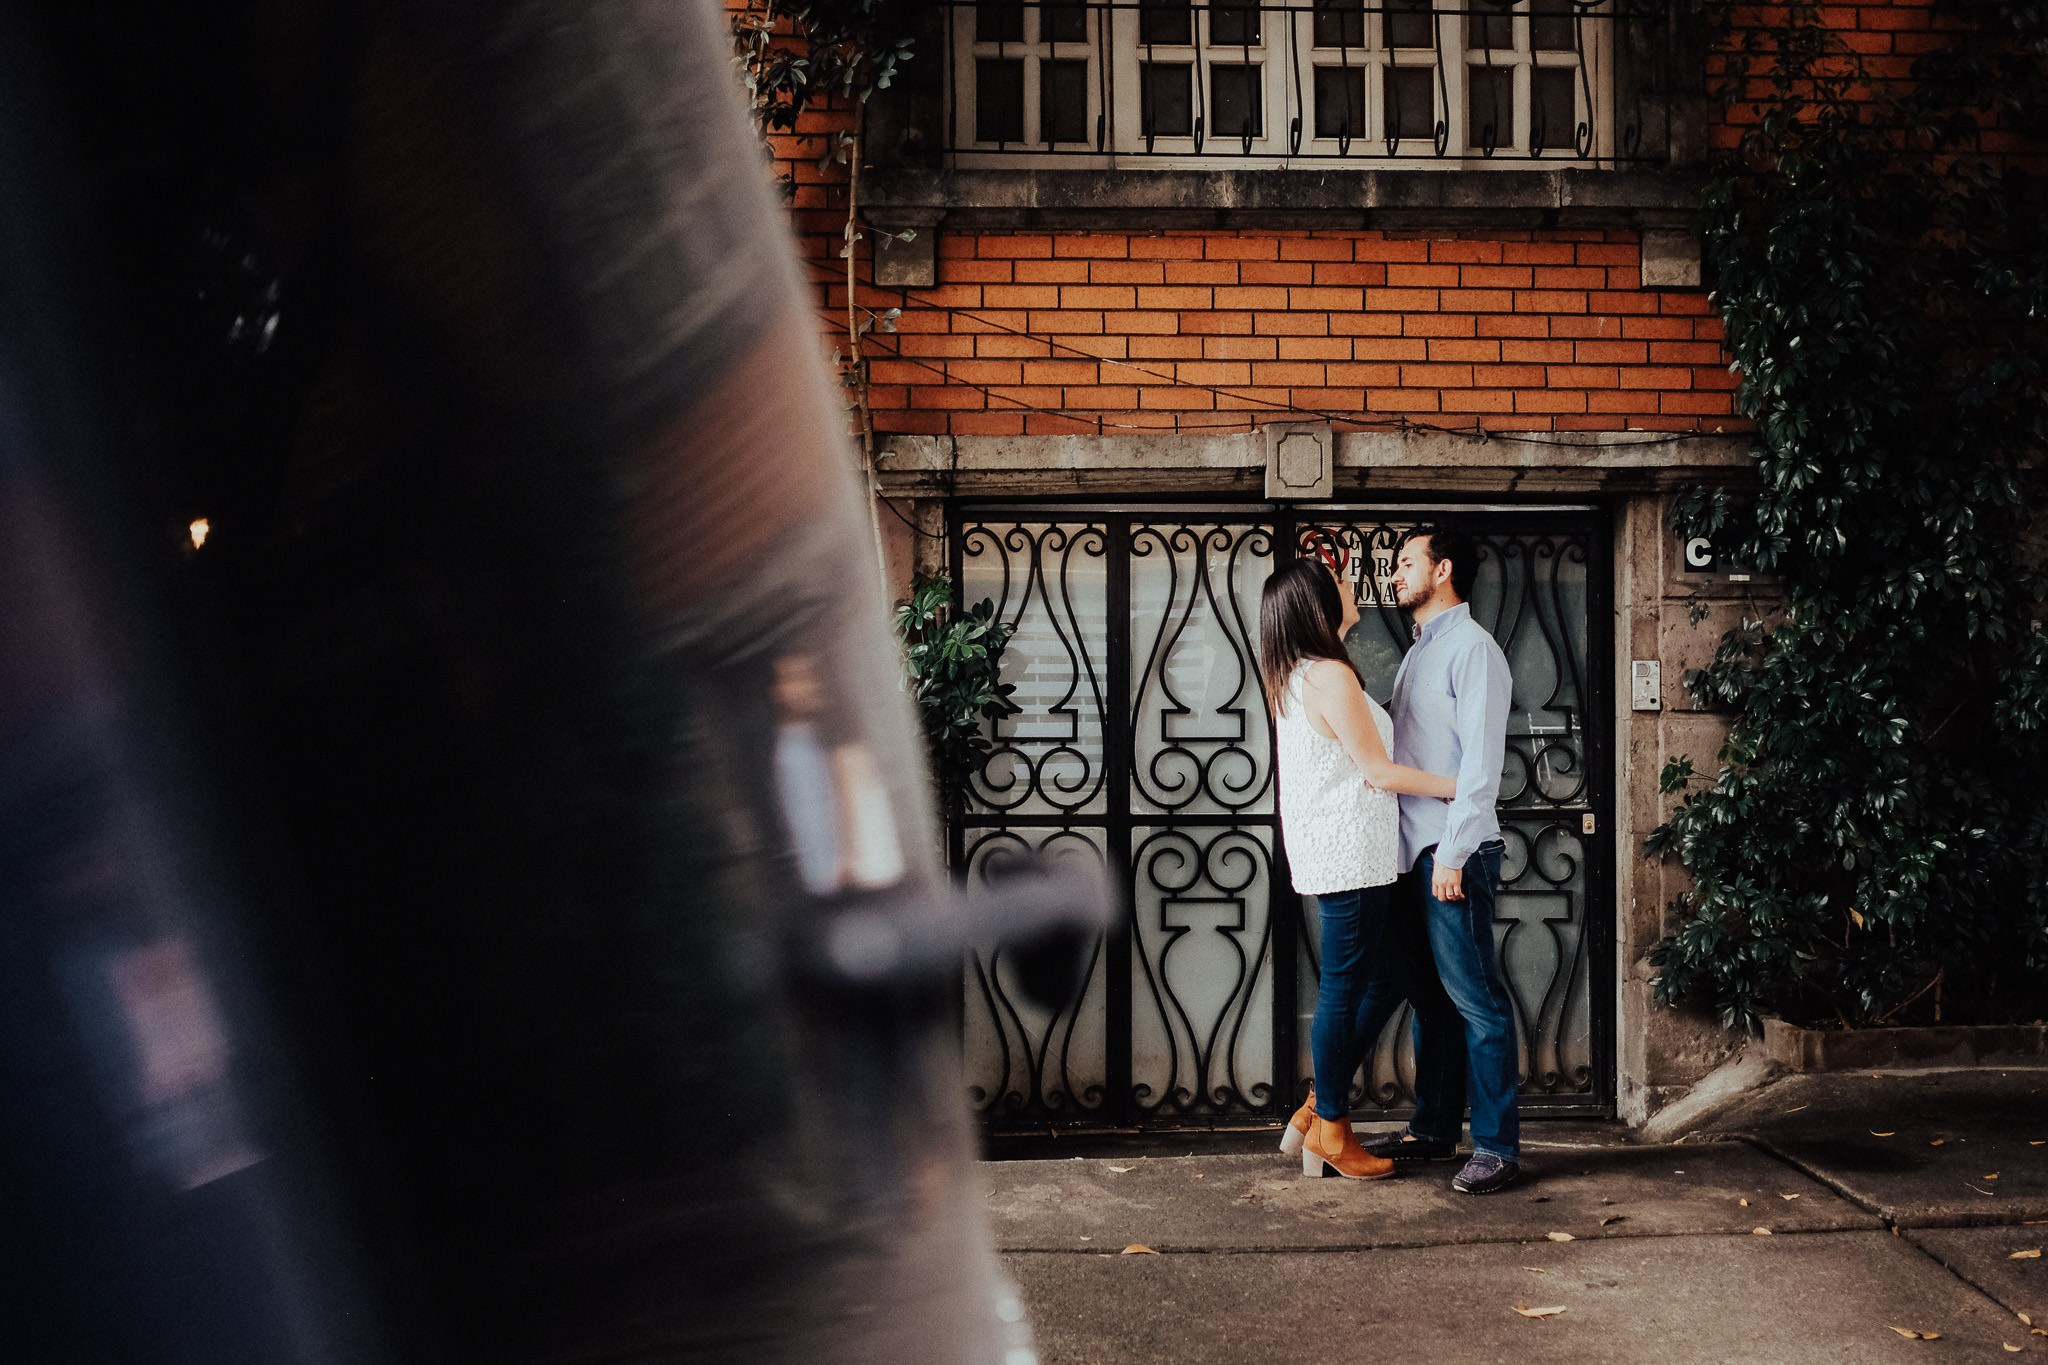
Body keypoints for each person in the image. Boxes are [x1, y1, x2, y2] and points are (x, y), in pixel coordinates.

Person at [1259, 556, 1457, 1180]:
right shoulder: (1328, 677)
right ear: (1318, 604)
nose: (1353, 592)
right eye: (1342, 586)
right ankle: (1333, 1130)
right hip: (1351, 855)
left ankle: (1319, 1107)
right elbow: (1378, 772)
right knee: (1346, 988)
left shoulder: (1298, 674)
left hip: (1357, 853)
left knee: (1392, 979)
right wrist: (1464, 786)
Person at [1358, 526, 1522, 1195]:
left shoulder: (1473, 651)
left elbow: (1480, 771)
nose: (1395, 574)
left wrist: (1451, 855)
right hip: (1414, 854)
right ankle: (1431, 1129)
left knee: (1477, 1003)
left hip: (1453, 853)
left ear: (1444, 568)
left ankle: (1497, 1146)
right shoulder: (1420, 652)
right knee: (1432, 1003)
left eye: (1405, 563)